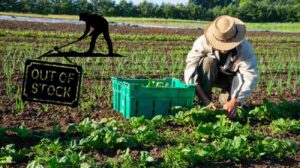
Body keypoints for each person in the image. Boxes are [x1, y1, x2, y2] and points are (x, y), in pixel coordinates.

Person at [184, 15, 259, 119]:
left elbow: (249, 76)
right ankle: (204, 102)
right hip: (209, 74)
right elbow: (190, 71)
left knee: (229, 110)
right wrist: (205, 100)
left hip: (230, 78)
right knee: (208, 62)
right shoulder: (202, 42)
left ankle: (225, 99)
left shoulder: (244, 48)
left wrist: (235, 101)